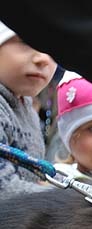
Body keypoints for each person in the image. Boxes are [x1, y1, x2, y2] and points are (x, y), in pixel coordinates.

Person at [0, 21, 57, 199]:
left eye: (55, 51)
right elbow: (4, 188)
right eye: (27, 41)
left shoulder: (26, 107)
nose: (44, 58)